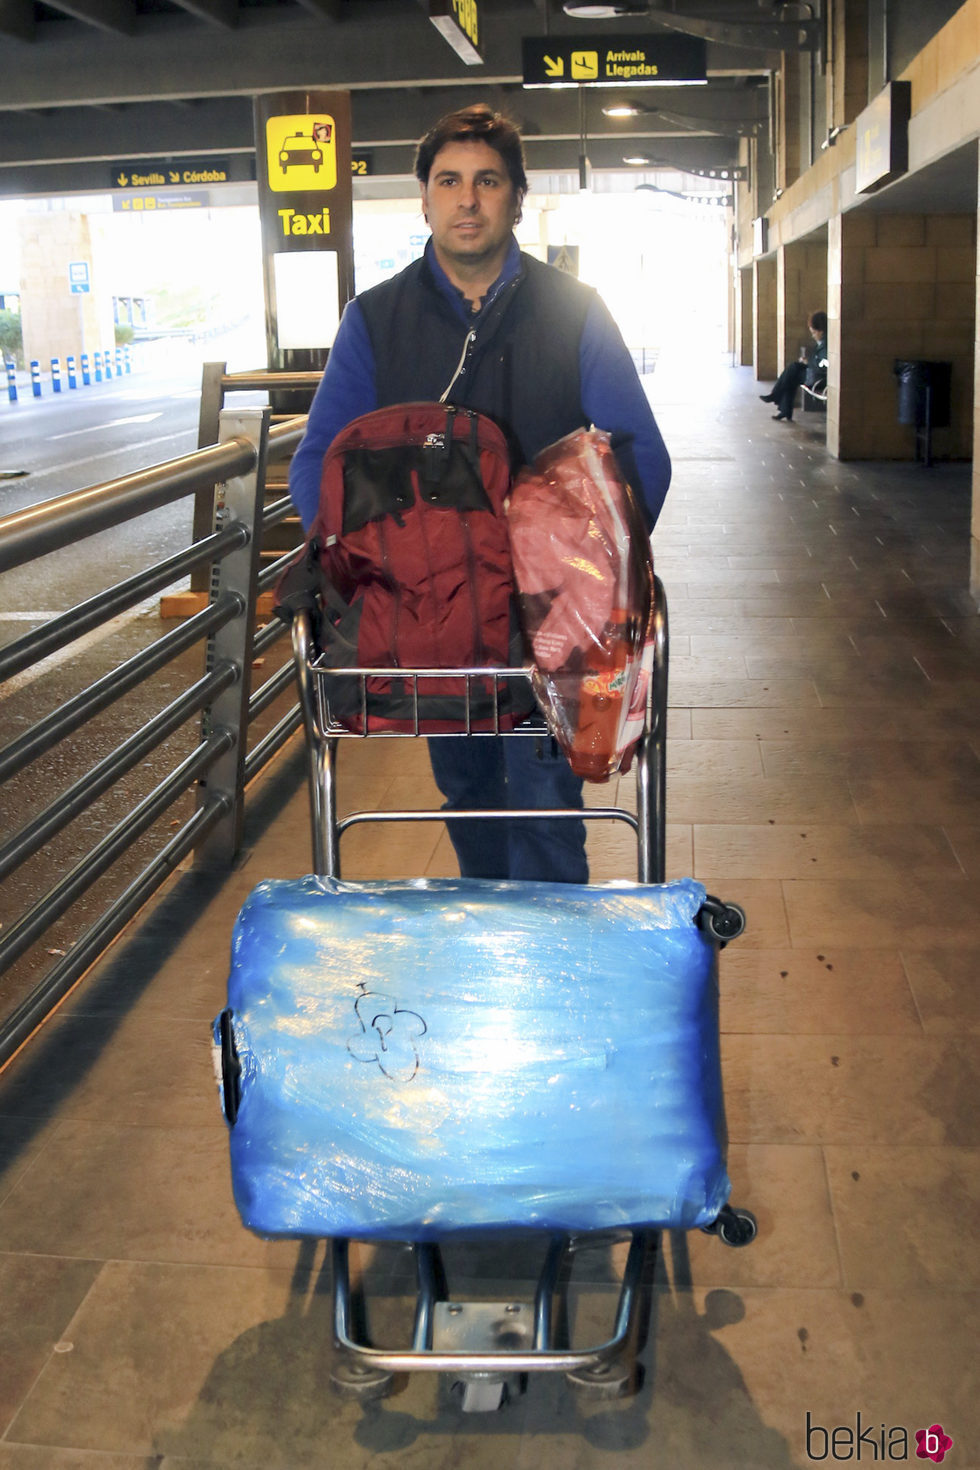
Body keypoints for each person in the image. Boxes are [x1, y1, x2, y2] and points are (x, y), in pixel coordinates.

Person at [288, 103, 672, 884]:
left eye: (487, 181)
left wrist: (590, 588)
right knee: (466, 794)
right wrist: (373, 581)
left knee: (543, 804)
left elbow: (642, 455)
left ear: (517, 198)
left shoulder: (574, 311)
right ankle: (488, 951)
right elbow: (318, 468)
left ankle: (553, 974)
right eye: (450, 181)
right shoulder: (376, 320)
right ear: (424, 199)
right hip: (434, 622)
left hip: (544, 625)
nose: (468, 199)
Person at [760, 310, 827, 422]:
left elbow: (823, 365)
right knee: (792, 370)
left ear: (821, 331)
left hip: (819, 378)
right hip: (815, 373)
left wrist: (808, 362)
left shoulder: (826, 344)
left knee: (792, 373)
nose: (813, 336)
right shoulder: (823, 342)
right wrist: (808, 361)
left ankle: (777, 398)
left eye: (814, 332)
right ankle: (781, 405)